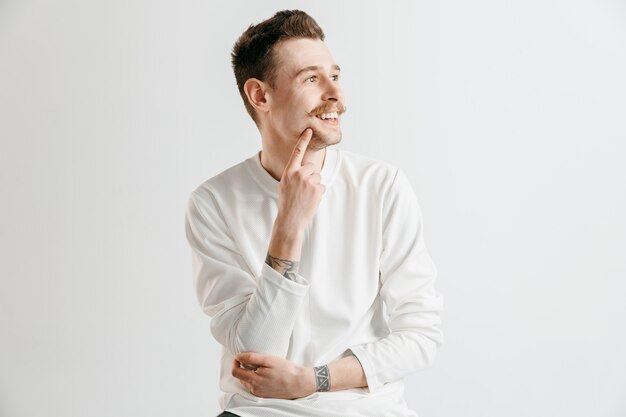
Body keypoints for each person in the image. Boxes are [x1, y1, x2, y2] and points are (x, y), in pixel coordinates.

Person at [184, 10, 443, 417]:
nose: (336, 95)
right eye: (311, 79)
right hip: (260, 411)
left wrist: (314, 380)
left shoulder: (382, 186)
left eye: (335, 76)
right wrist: (288, 224)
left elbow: (422, 335)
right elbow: (255, 351)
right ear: (260, 96)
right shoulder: (213, 202)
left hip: (365, 409)